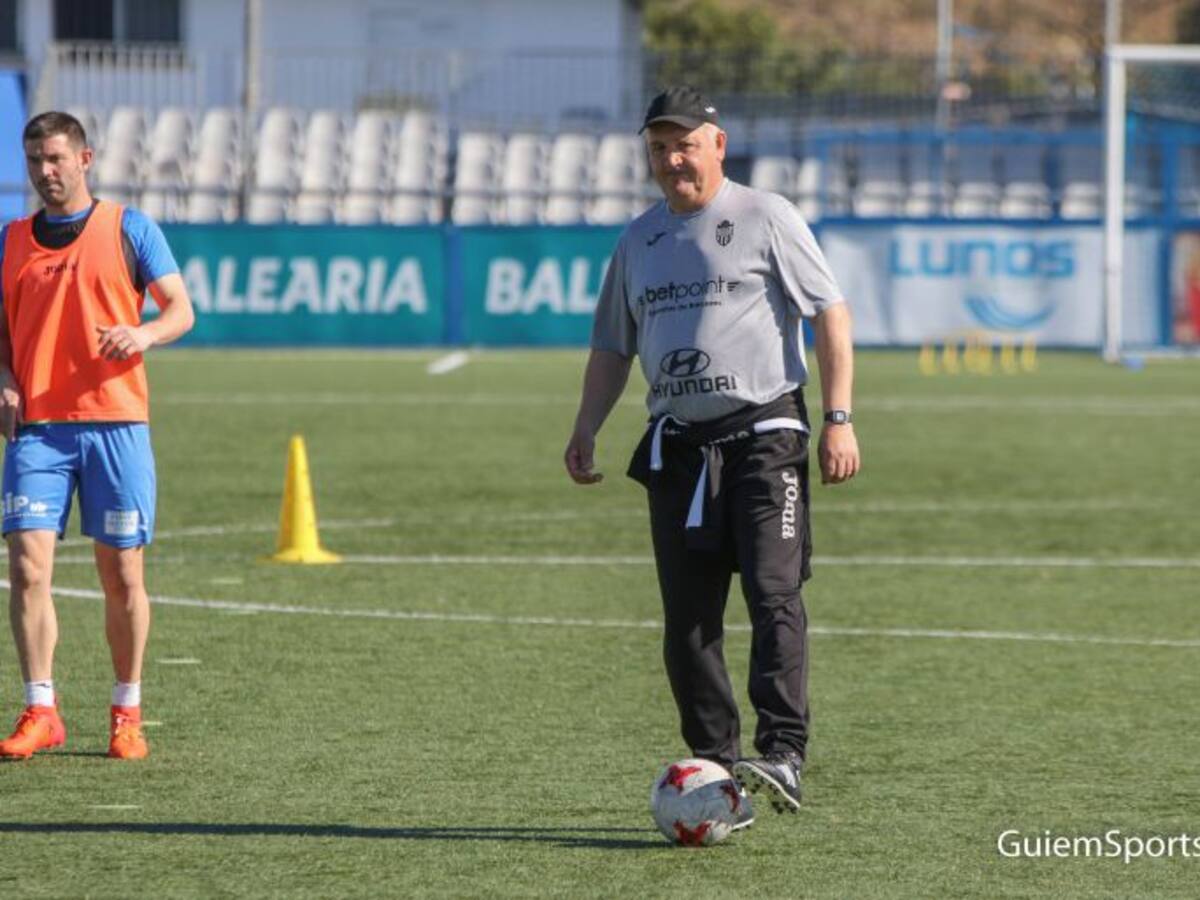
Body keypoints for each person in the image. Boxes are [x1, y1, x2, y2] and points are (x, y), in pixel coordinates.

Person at [564, 86, 860, 818]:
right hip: (677, 449)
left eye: (685, 145)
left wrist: (839, 417)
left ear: (716, 145)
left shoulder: (766, 216)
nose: (672, 160)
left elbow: (830, 311)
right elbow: (612, 345)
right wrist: (586, 427)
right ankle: (716, 767)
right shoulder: (638, 239)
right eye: (660, 148)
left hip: (765, 437)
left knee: (771, 591)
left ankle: (784, 753)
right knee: (688, 622)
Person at [0, 111, 195, 760]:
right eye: (34, 161)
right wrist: (4, 378)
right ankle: (41, 708)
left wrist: (141, 334)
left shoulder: (130, 228)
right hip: (40, 432)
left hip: (117, 425)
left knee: (122, 575)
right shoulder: (11, 240)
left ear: (85, 159)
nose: (45, 172)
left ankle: (127, 710)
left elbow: (180, 310)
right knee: (27, 569)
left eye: (55, 159)